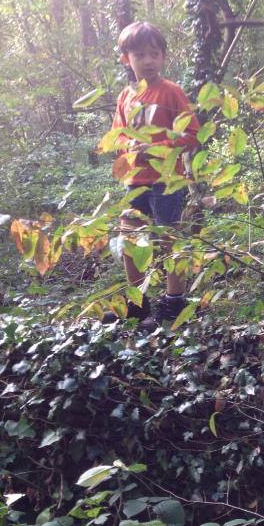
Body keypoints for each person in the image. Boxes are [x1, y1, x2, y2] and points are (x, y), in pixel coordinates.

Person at [102, 21, 200, 326]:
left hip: (167, 180)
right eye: (140, 55)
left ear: (163, 57)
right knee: (130, 238)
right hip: (135, 180)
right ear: (126, 59)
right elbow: (117, 136)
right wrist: (130, 146)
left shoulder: (171, 92)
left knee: (169, 239)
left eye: (154, 54)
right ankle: (138, 303)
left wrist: (157, 148)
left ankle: (174, 302)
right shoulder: (126, 96)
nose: (148, 61)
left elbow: (192, 134)